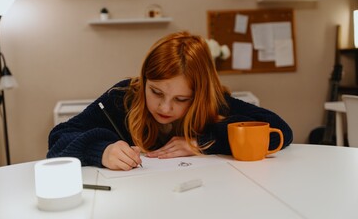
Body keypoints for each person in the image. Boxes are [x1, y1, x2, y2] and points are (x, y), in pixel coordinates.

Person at [47, 31, 293, 171]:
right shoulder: (122, 97)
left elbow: (279, 131)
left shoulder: (212, 102)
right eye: (155, 92)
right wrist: (101, 151)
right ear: (143, 81)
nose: (165, 108)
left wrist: (203, 142)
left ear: (199, 95)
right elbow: (58, 139)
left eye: (181, 99)